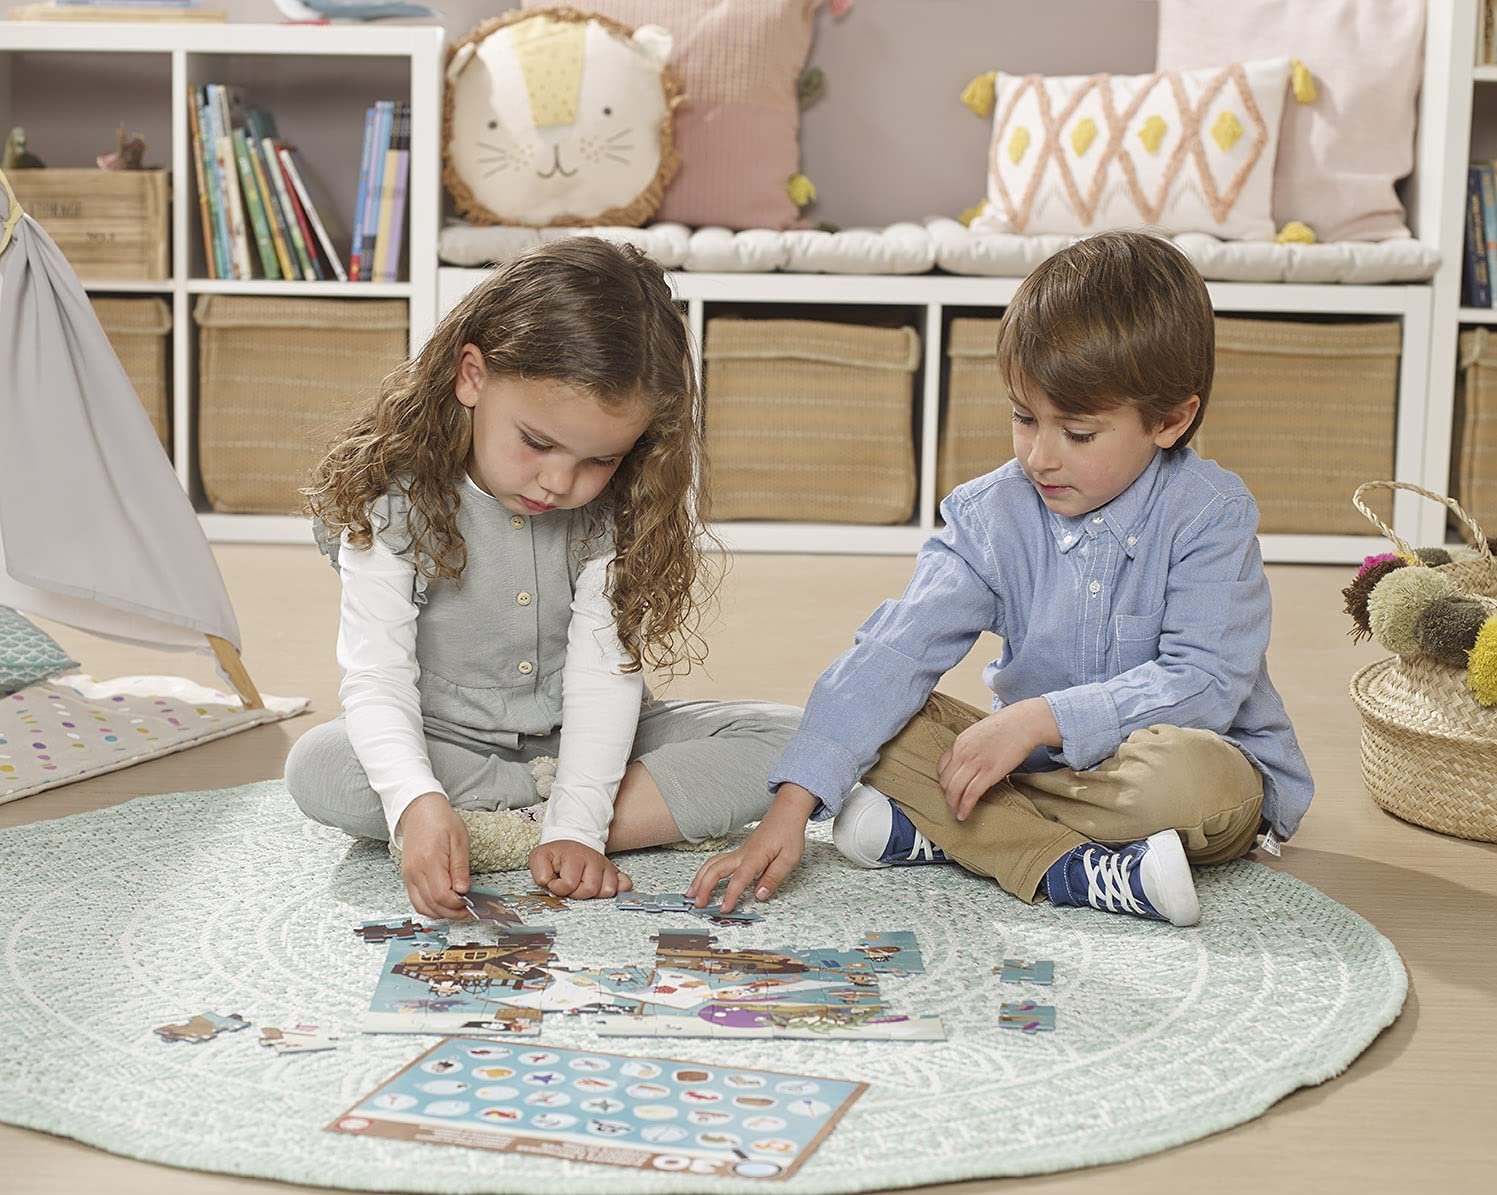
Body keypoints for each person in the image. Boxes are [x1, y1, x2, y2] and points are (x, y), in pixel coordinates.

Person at [688, 230, 1312, 927]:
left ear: (1170, 419)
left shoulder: (1211, 516)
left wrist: (1038, 718)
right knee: (881, 721)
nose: (1039, 455)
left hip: (1165, 774)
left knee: (1193, 779)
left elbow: (1204, 685)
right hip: (1036, 768)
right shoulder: (993, 513)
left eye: (1077, 434)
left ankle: (954, 832)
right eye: (1023, 418)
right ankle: (1075, 868)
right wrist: (788, 812)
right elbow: (895, 652)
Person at [286, 238, 800, 919]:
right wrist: (416, 799)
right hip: (447, 742)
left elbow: (600, 677)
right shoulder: (393, 502)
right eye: (536, 441)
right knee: (320, 765)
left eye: (600, 459)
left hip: (583, 739)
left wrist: (578, 825)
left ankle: (517, 830)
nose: (562, 482)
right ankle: (484, 819)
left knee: (796, 740)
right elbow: (376, 675)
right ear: (471, 376)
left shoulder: (612, 514)